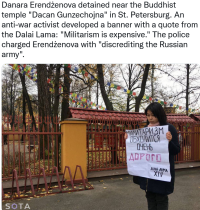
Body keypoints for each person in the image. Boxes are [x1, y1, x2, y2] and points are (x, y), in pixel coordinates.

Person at [125, 102, 180, 210]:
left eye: (153, 115)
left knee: (161, 198)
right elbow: (138, 148)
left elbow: (176, 150)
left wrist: (169, 141)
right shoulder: (145, 129)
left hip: (161, 173)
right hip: (148, 174)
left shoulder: (169, 128)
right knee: (150, 197)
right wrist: (129, 139)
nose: (150, 118)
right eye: (148, 115)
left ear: (159, 114)